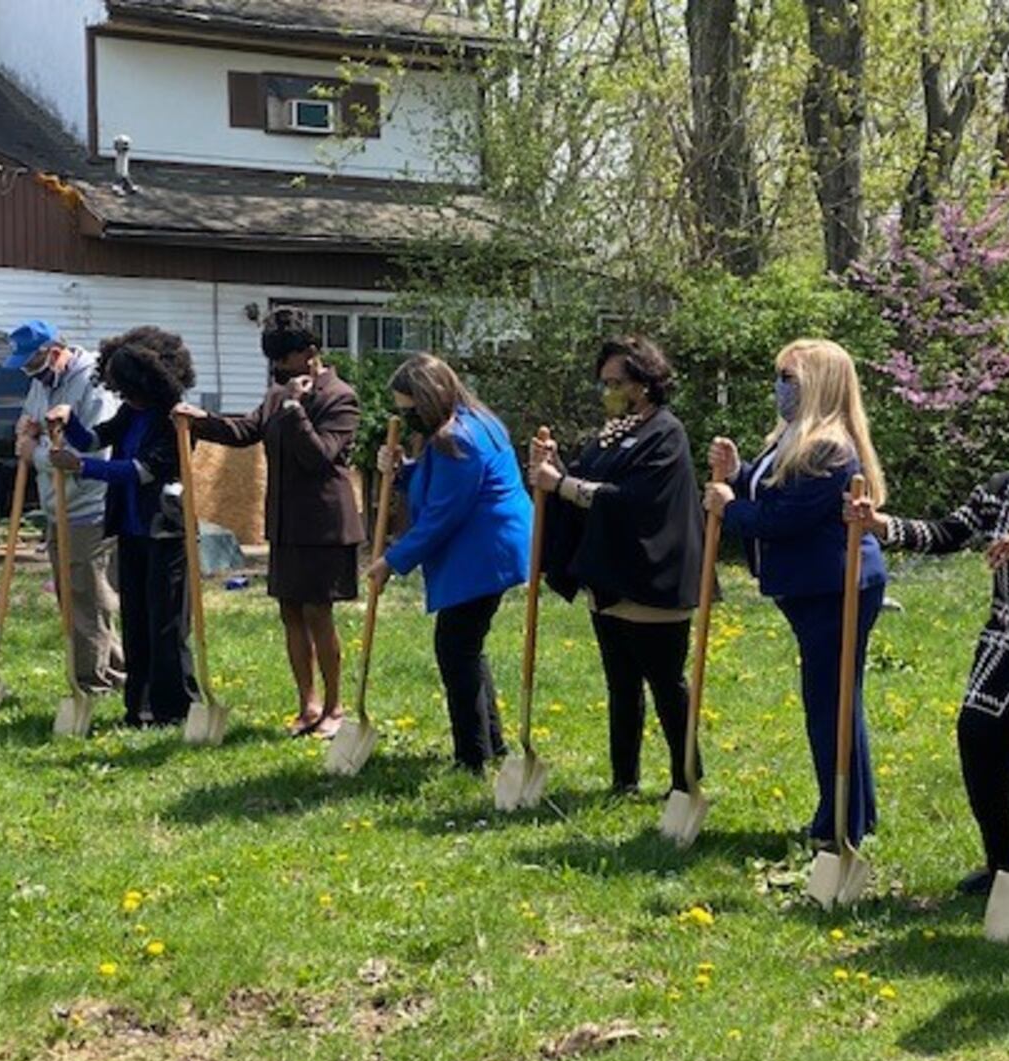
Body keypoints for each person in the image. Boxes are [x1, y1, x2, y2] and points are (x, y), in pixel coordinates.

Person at [848, 374, 1009, 892]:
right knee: (978, 735)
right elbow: (949, 532)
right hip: (1008, 638)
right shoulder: (999, 488)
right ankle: (1003, 864)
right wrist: (881, 524)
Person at [704, 338, 887, 850]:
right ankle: (854, 812)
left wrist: (728, 507)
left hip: (836, 587)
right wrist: (739, 473)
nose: (780, 388)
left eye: (790, 379)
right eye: (779, 377)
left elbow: (783, 518)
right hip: (813, 587)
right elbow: (774, 491)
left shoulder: (829, 447)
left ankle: (839, 822)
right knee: (836, 699)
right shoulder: (792, 436)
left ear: (819, 385)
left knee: (829, 704)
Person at [173, 307, 364, 738]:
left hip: (324, 525)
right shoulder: (277, 395)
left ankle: (334, 707)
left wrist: (297, 408)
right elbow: (247, 431)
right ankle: (307, 703)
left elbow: (320, 456)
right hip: (285, 521)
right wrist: (201, 421)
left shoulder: (340, 397)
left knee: (319, 612)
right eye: (272, 360)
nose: (277, 368)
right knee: (290, 611)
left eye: (284, 359)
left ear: (310, 353)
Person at [530, 335, 706, 797]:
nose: (608, 391)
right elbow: (588, 484)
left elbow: (636, 502)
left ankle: (686, 780)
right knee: (621, 686)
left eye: (617, 382)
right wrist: (555, 469)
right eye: (603, 382)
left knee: (667, 685)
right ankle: (623, 779)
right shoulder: (612, 433)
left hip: (654, 580)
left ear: (645, 384)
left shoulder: (665, 433)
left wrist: (563, 484)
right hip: (610, 580)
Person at [371, 354, 531, 772]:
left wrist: (392, 560)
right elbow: (435, 480)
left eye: (410, 410)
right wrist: (402, 472)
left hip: (485, 553)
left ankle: (472, 756)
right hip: (485, 548)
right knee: (465, 647)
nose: (407, 420)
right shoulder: (467, 422)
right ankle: (490, 746)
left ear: (430, 399)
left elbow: (443, 513)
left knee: (455, 648)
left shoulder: (460, 438)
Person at [48, 327, 199, 727]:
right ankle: (139, 707)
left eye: (128, 388)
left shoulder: (174, 420)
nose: (123, 396)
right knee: (135, 621)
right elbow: (97, 438)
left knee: (165, 625)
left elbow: (142, 471)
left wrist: (82, 467)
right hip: (131, 531)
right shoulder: (132, 411)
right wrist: (70, 420)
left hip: (166, 532)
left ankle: (176, 707)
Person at [8, 320, 126, 694]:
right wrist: (26, 430)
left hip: (91, 506)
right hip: (59, 506)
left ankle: (90, 684)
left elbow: (91, 450)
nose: (30, 374)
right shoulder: (43, 383)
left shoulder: (93, 385)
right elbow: (32, 421)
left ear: (55, 352)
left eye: (33, 365)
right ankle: (120, 672)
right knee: (75, 596)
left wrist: (35, 452)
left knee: (85, 599)